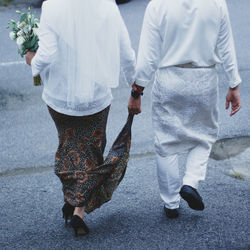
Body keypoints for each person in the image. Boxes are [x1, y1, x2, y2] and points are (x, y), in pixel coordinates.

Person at [26, 0, 136, 236]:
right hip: (96, 98)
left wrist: (31, 61)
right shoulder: (107, 5)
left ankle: (73, 196)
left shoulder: (52, 6)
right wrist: (135, 86)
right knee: (92, 150)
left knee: (69, 146)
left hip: (59, 99)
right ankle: (78, 209)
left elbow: (45, 56)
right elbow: (125, 50)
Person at [128, 0, 241, 218]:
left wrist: (137, 91)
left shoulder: (157, 5)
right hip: (204, 79)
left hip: (170, 78)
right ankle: (191, 181)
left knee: (166, 141)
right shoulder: (217, 2)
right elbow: (226, 47)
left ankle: (171, 204)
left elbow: (148, 56)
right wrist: (233, 84)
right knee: (204, 136)